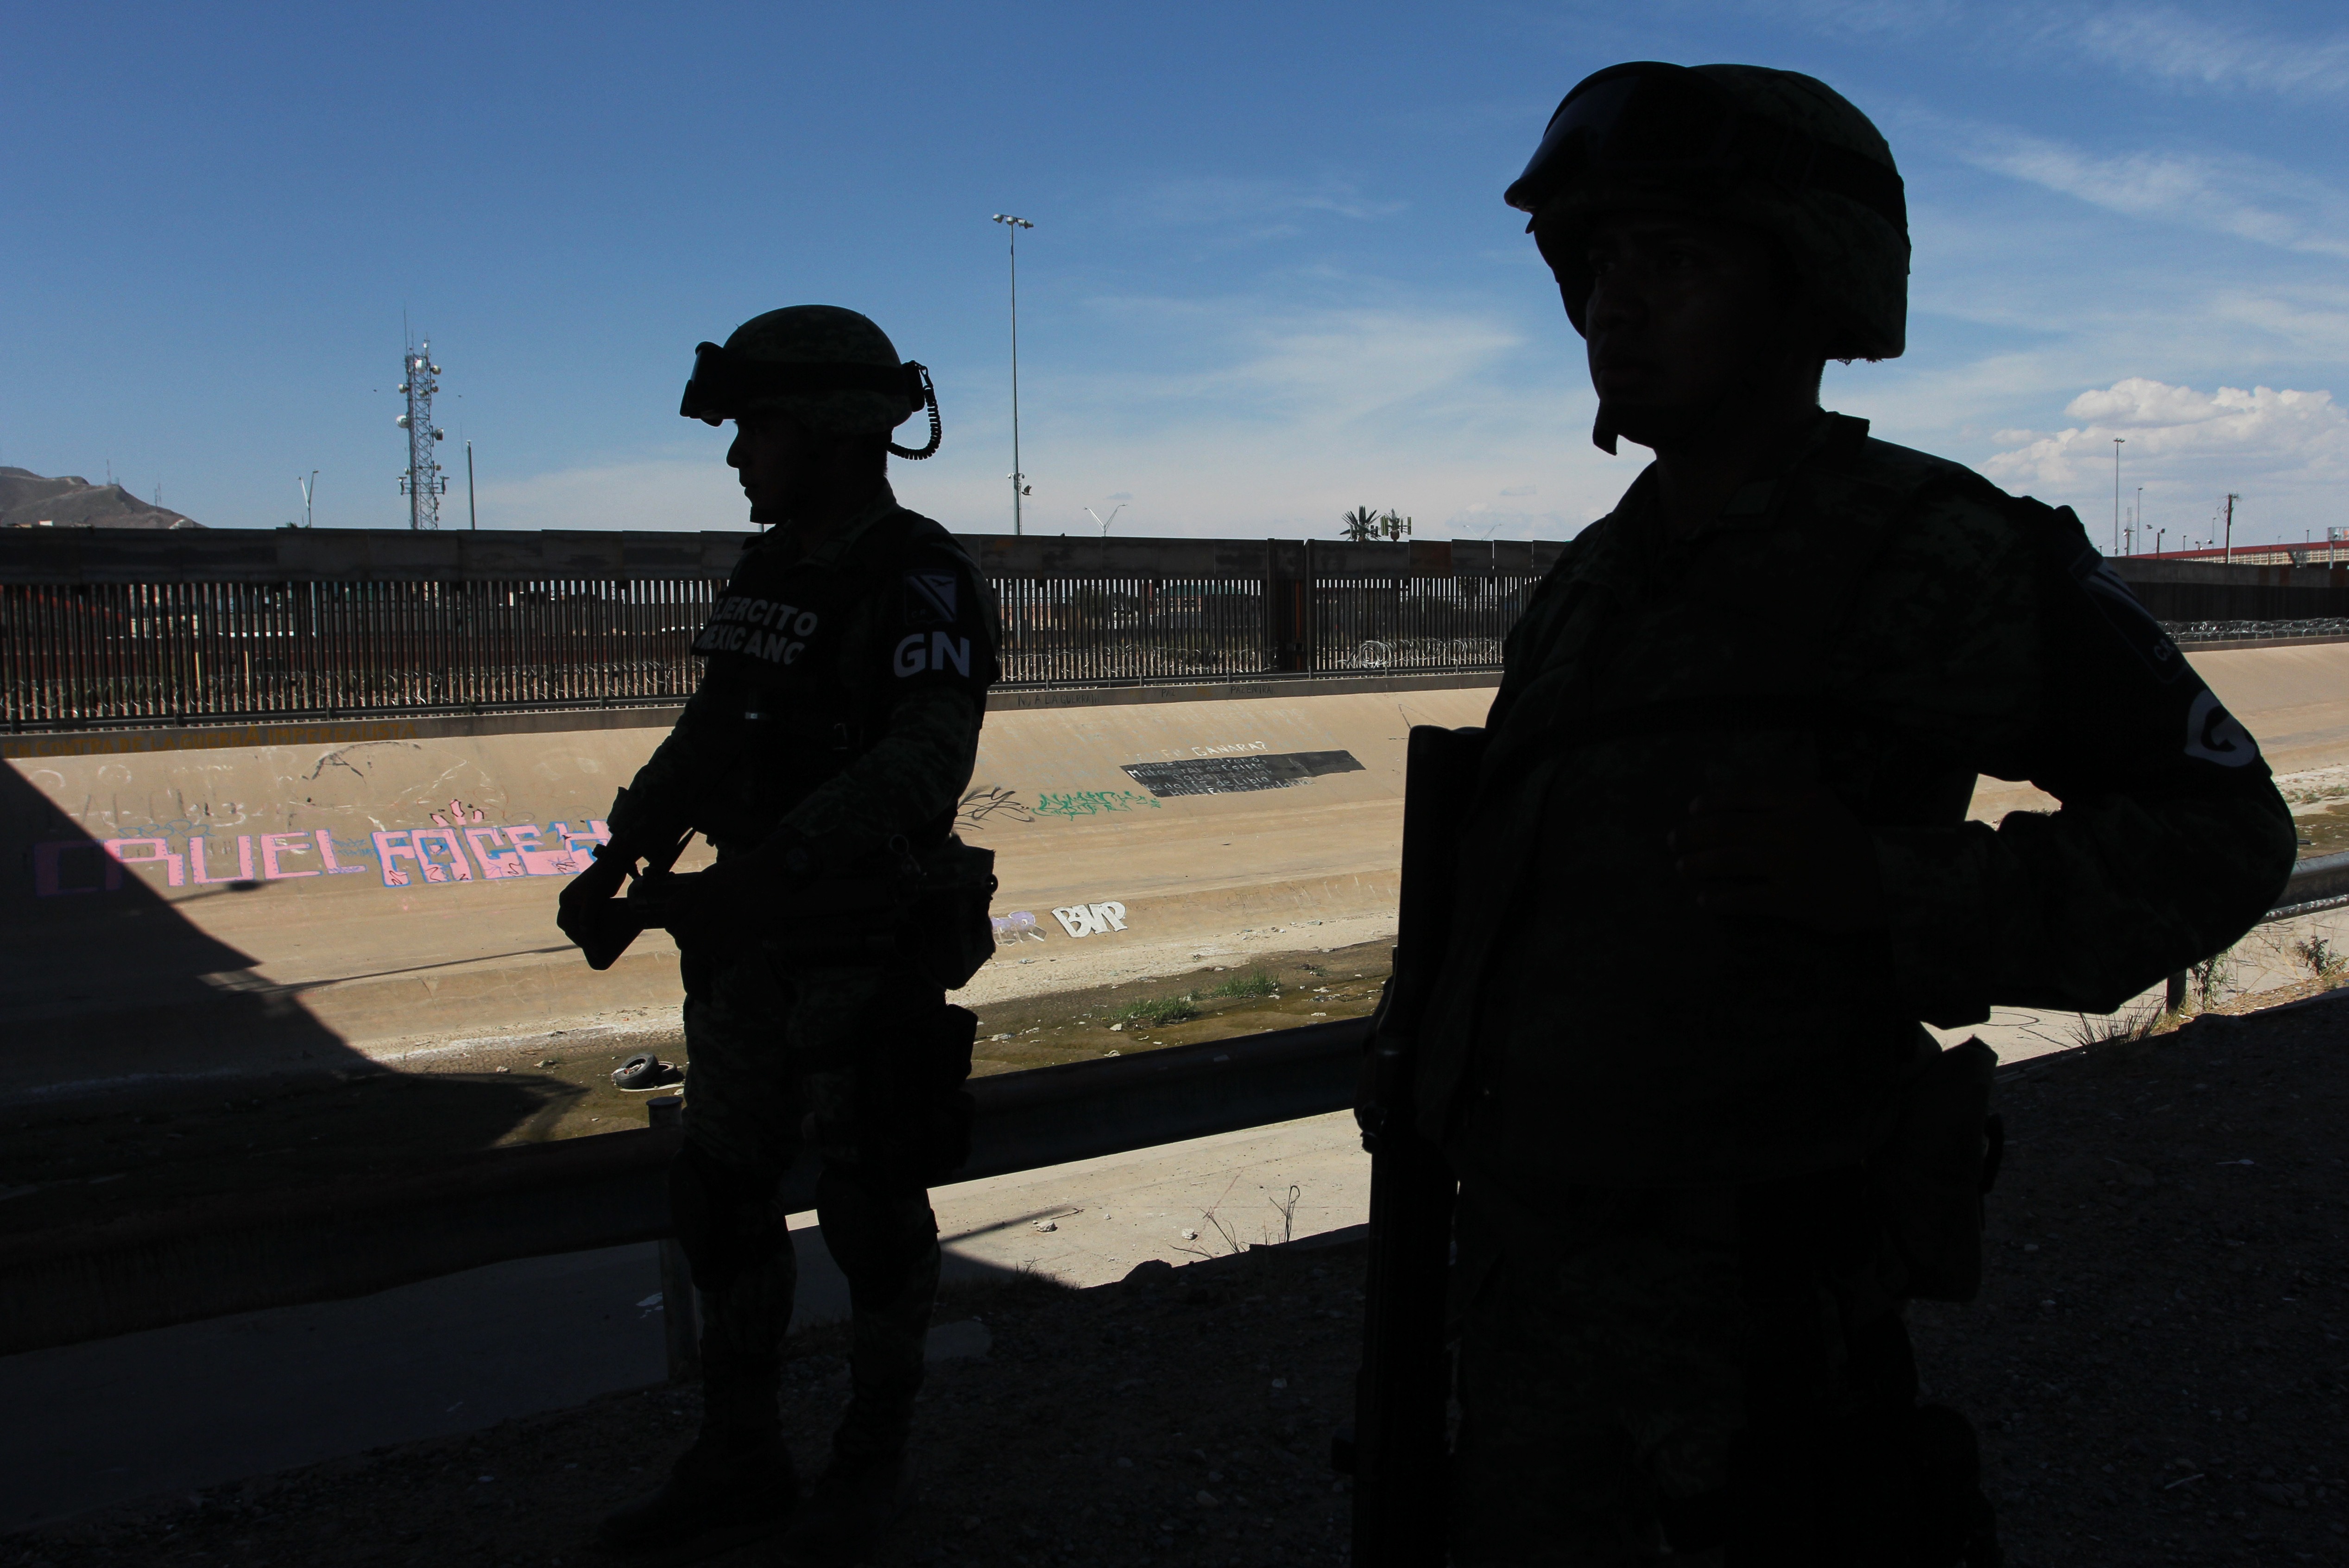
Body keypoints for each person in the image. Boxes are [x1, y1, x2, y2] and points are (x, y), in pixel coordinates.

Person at [1417, 62, 2297, 1565]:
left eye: (1672, 261)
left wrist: (1896, 889)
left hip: (1759, 1326)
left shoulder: (1936, 549)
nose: (1612, 307)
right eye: (1593, 266)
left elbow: (2224, 830)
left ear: (1813, 283)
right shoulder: (1587, 586)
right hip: (1519, 1312)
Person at [559, 305, 999, 1566]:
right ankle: (740, 1457)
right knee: (723, 1198)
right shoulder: (770, 574)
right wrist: (625, 852)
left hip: (860, 950)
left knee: (870, 1209)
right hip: (750, 954)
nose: (739, 456)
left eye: (759, 429)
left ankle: (867, 1473)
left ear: (835, 432)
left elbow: (925, 759)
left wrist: (788, 866)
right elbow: (715, 733)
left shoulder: (919, 574)